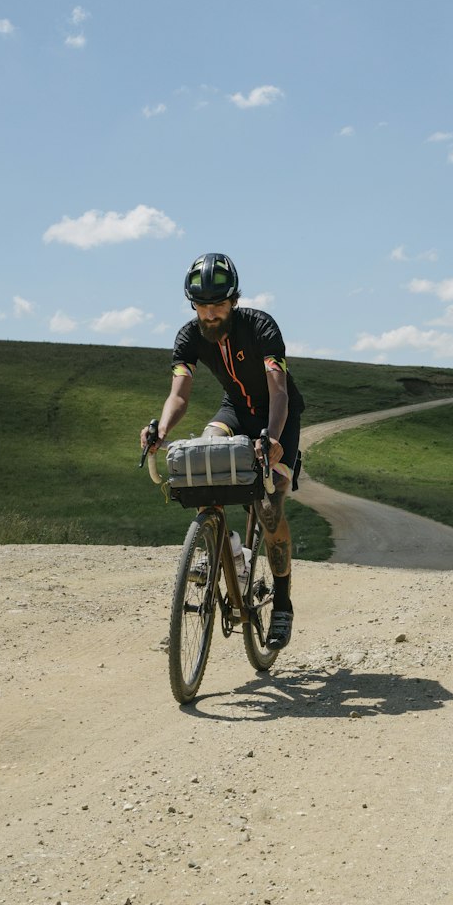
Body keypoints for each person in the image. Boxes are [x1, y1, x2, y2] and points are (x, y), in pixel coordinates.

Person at [143, 251, 304, 650]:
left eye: (218, 304)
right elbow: (178, 396)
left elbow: (278, 389)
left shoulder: (261, 326)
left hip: (278, 414)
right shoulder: (189, 336)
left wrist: (272, 437)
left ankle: (282, 604)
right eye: (202, 305)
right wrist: (160, 429)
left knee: (269, 507)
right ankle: (223, 547)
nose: (210, 314)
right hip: (234, 411)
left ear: (234, 300)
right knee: (202, 457)